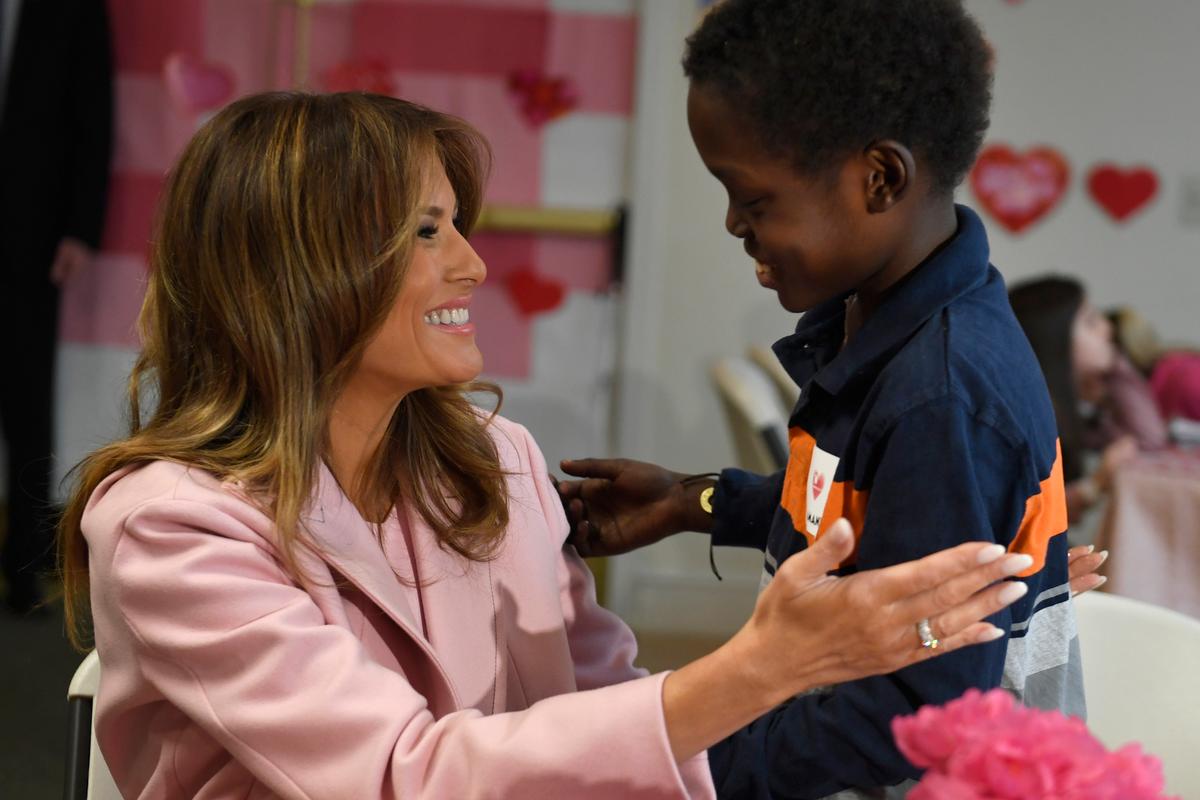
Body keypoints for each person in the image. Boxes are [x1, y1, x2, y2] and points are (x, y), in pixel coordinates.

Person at [57, 92, 1038, 800]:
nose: (474, 263)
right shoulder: (171, 527)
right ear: (297, 273)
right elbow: (401, 777)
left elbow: (603, 700)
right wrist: (761, 665)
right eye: (428, 231)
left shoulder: (495, 458)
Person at [559, 1, 1105, 797]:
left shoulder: (941, 397)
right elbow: (859, 525)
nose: (733, 224)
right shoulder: (875, 325)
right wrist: (696, 500)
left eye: (752, 200)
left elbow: (909, 717)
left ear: (878, 179)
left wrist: (690, 767)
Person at [0, 0, 113, 613]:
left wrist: (80, 228)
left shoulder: (71, 8)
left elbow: (92, 114)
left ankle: (25, 565)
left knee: (26, 399)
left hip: (31, 235)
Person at [1010, 277, 1167, 523]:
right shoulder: (1031, 413)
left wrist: (1115, 365)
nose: (1108, 328)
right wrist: (1096, 484)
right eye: (1091, 321)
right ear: (1056, 337)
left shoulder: (1075, 403)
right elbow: (1028, 517)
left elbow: (1148, 437)